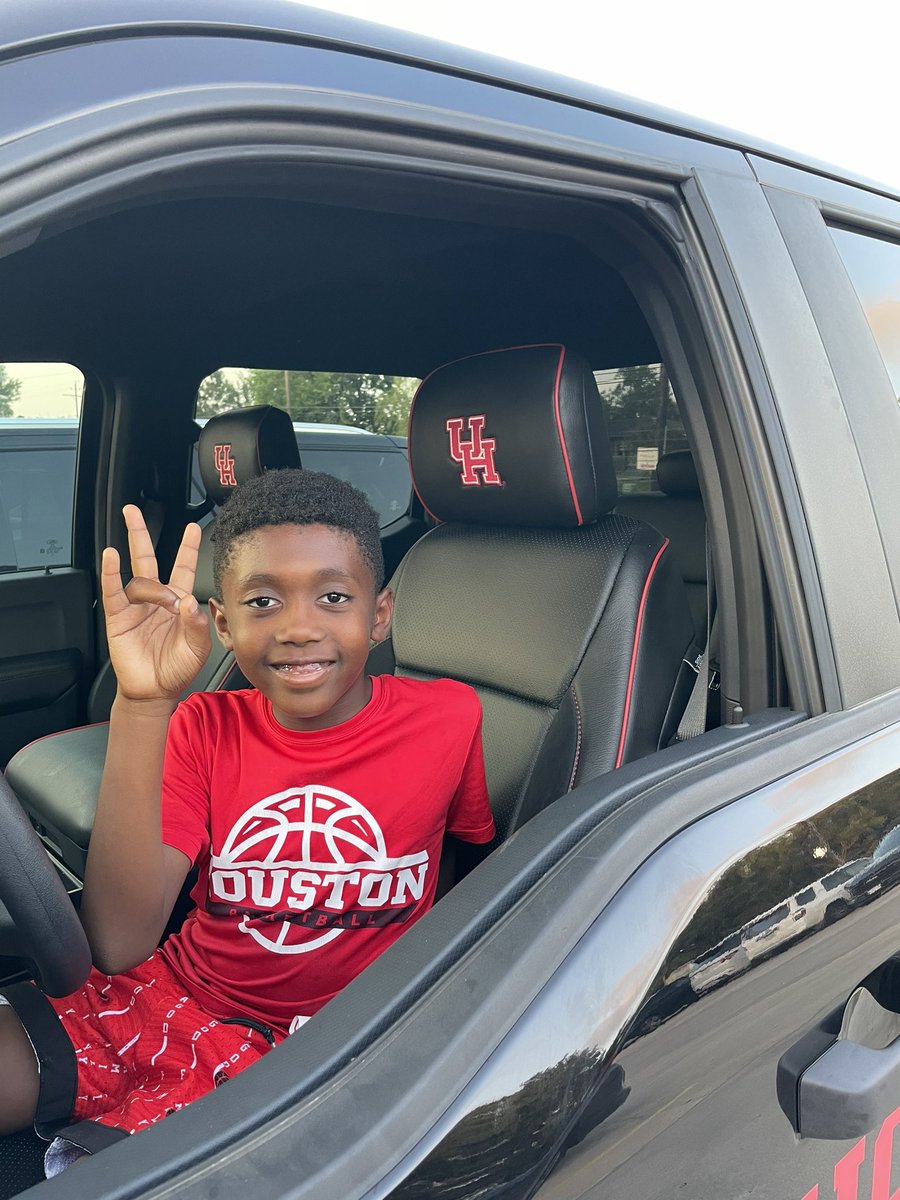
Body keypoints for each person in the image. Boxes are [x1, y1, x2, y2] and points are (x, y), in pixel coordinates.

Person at [0, 469, 495, 1170]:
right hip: (180, 994)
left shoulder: (450, 717)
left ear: (379, 613)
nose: (298, 628)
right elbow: (117, 941)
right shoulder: (203, 723)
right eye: (263, 601)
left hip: (339, 1042)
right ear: (224, 623)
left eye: (333, 597)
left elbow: (468, 867)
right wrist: (143, 705)